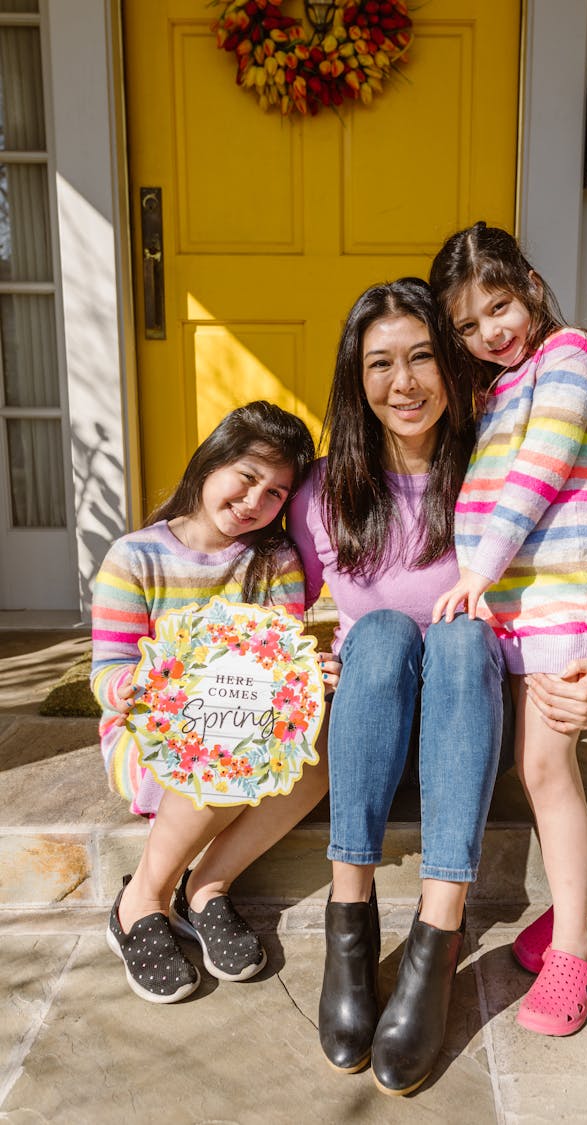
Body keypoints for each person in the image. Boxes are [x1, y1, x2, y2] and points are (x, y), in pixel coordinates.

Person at [288, 279, 587, 1094]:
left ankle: (437, 935)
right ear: (354, 378)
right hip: (367, 742)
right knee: (381, 633)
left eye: (422, 357)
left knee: (463, 631)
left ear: (453, 365)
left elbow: (569, 594)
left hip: (466, 740)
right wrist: (305, 660)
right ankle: (350, 925)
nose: (403, 383)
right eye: (380, 364)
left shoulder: (493, 475)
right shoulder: (322, 494)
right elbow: (265, 625)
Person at [430, 222, 587, 1037]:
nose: (489, 335)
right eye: (469, 327)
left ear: (532, 284)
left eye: (499, 307)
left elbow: (540, 472)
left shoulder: (570, 356)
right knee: (527, 761)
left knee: (545, 766)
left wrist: (478, 568)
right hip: (513, 599)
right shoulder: (500, 384)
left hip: (560, 597)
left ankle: (576, 947)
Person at [91, 401, 340, 1003]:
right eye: (247, 477)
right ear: (211, 462)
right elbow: (107, 676)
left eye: (277, 493)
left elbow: (279, 663)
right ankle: (139, 902)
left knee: (325, 740)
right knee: (224, 744)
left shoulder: (273, 560)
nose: (257, 501)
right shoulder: (136, 557)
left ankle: (206, 885)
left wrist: (310, 674)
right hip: (150, 735)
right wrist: (151, 686)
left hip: (245, 731)